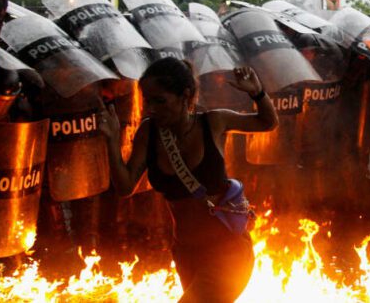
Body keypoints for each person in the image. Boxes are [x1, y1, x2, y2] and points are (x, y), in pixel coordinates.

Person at [103, 58, 278, 302]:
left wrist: (257, 93)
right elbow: (124, 187)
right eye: (148, 101)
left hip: (228, 252)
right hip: (186, 252)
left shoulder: (213, 122)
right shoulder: (148, 132)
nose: (151, 109)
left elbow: (267, 122)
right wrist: (111, 141)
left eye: (160, 101)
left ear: (185, 96)